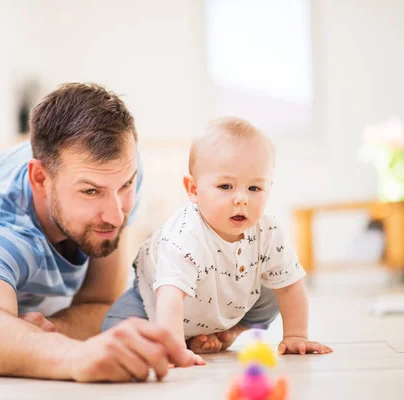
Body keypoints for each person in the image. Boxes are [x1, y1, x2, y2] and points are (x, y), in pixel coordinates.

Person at [0, 83, 204, 383]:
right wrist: (76, 356)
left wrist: (52, 329)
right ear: (40, 179)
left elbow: (100, 300)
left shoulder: (119, 167)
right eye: (91, 191)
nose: (116, 214)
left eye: (125, 185)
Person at [102, 117, 333, 356]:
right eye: (226, 186)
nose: (242, 199)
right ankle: (181, 339)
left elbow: (291, 287)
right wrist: (175, 350)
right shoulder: (186, 235)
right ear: (194, 190)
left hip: (224, 300)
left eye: (254, 188)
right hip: (155, 303)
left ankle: (228, 332)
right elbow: (169, 297)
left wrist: (296, 335)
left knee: (276, 291)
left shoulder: (269, 231)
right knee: (114, 332)